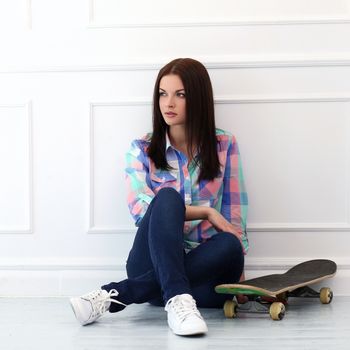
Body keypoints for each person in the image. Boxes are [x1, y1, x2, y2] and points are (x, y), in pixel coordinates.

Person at [70, 58, 248, 336]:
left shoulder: (224, 145)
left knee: (231, 244)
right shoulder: (141, 148)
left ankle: (117, 294)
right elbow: (142, 211)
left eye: (180, 95)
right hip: (150, 263)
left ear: (198, 98)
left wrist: (241, 276)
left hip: (206, 272)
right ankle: (178, 297)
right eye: (163, 94)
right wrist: (206, 212)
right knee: (166, 198)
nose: (169, 104)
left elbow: (234, 214)